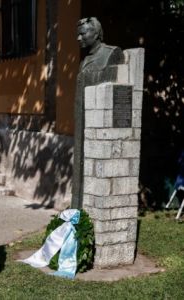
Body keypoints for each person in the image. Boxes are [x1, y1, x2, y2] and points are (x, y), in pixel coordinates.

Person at [72, 17, 125, 208]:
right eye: (78, 34)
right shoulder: (85, 59)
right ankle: (77, 215)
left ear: (96, 33)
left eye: (83, 33)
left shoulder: (112, 54)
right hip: (82, 120)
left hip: (98, 123)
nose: (79, 38)